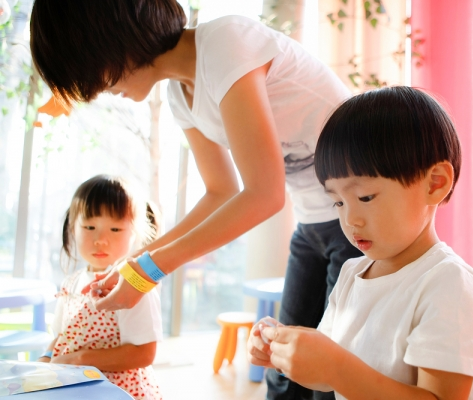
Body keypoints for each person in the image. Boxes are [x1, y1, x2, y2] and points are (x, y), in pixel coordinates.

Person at [29, 1, 362, 398]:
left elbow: (264, 194)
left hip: (361, 223)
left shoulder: (225, 43)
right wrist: (134, 265)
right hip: (312, 224)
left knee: (327, 373)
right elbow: (220, 192)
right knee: (282, 368)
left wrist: (149, 271)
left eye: (91, 74)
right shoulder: (178, 96)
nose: (100, 90)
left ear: (110, 37)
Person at [247, 86, 473, 400]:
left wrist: (336, 368)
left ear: (435, 183)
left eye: (365, 197)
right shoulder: (352, 273)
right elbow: (326, 373)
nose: (351, 220)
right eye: (337, 202)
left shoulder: (448, 285)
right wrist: (283, 349)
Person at [38, 175, 163, 400]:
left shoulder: (133, 284)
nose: (101, 239)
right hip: (77, 388)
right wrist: (45, 360)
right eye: (90, 226)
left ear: (135, 233)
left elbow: (144, 353)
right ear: (72, 228)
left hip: (118, 391)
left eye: (115, 229)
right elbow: (60, 337)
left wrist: (81, 359)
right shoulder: (71, 282)